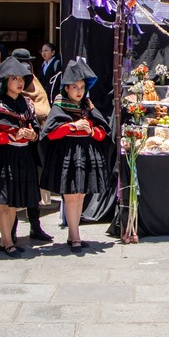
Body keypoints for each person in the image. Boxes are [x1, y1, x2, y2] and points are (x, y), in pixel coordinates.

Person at [40, 59, 109, 253]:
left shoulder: (88, 106)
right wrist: (72, 126)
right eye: (74, 87)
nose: (79, 91)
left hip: (85, 152)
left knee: (80, 195)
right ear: (66, 88)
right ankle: (76, 235)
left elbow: (103, 131)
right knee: (70, 196)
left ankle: (73, 234)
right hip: (67, 153)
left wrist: (91, 131)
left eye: (81, 87)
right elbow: (49, 133)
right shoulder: (59, 106)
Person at [0, 57, 42, 257]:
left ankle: (6, 239)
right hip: (5, 156)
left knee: (15, 203)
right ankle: (7, 241)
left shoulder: (27, 104)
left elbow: (35, 127)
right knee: (4, 203)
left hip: (23, 154)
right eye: (14, 78)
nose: (19, 82)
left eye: (21, 78)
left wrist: (33, 135)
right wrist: (12, 135)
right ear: (5, 82)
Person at [9, 48, 53, 242]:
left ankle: (35, 226)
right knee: (13, 190)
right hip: (11, 148)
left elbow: (44, 107)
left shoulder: (33, 83)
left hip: (32, 145)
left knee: (32, 187)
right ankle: (10, 232)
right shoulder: (7, 88)